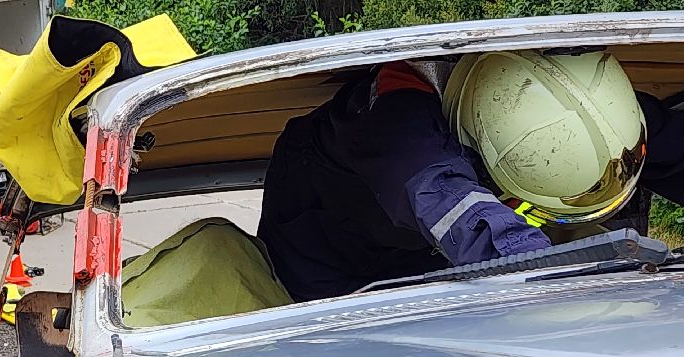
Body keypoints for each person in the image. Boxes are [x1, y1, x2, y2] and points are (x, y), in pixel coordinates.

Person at [259, 49, 684, 302]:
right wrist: (557, 281)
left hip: (427, 245)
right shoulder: (399, 128)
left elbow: (665, 148)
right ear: (476, 145)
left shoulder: (583, 107)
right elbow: (451, 204)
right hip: (330, 249)